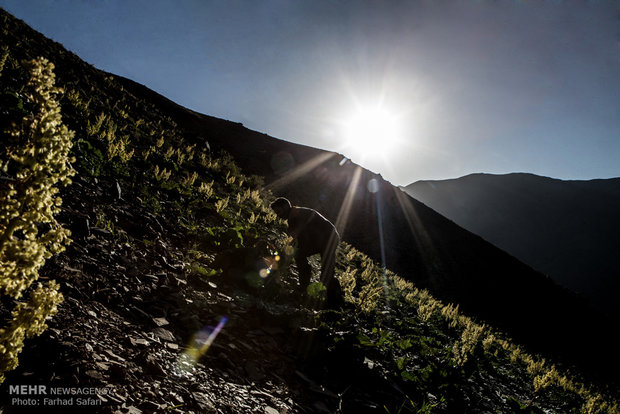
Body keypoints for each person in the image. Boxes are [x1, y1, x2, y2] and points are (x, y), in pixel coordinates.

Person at [270, 197, 343, 306]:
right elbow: (298, 239)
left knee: (326, 271)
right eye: (276, 213)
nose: (278, 215)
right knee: (300, 255)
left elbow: (303, 230)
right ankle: (304, 286)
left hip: (329, 239)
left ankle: (335, 301)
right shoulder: (293, 218)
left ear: (285, 207)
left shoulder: (299, 213)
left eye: (279, 212)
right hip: (320, 239)